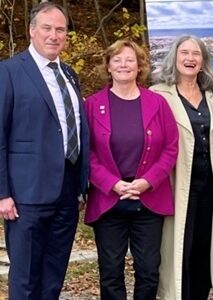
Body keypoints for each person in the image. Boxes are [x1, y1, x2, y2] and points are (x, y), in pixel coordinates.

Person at [0, 2, 89, 298]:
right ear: (32, 31)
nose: (54, 35)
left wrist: (80, 186)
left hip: (67, 190)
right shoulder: (9, 72)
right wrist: (2, 193)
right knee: (25, 278)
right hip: (26, 193)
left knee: (53, 275)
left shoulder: (70, 74)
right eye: (47, 28)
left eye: (60, 29)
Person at [84, 39, 178, 299]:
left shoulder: (157, 103)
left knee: (148, 269)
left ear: (139, 67)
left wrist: (147, 181)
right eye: (117, 59)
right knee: (110, 271)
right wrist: (112, 183)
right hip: (109, 199)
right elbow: (86, 153)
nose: (124, 65)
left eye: (130, 60)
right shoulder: (92, 105)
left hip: (148, 198)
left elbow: (171, 148)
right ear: (108, 66)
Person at [151, 35, 213, 300]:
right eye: (184, 52)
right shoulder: (158, 95)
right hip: (175, 186)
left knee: (203, 250)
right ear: (174, 57)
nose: (190, 58)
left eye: (196, 54)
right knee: (177, 252)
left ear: (203, 61)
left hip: (210, 186)